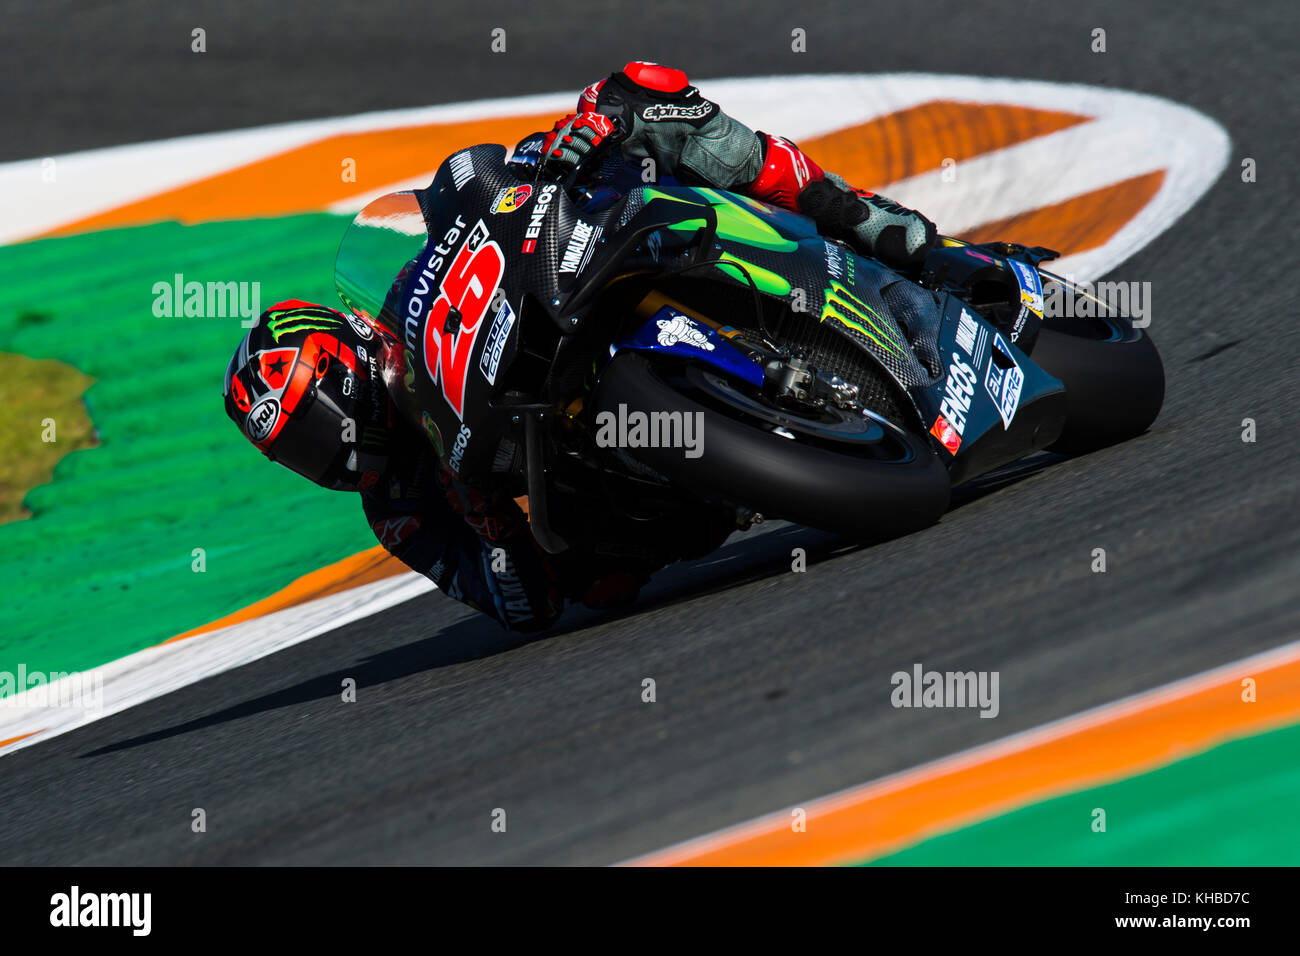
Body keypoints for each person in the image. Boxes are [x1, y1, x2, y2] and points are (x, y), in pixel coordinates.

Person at [222, 63, 940, 631]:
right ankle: (738, 454)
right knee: (600, 587)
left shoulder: (404, 295)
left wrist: (557, 152)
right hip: (620, 493)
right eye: (300, 453)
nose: (328, 455)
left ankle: (850, 213)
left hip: (562, 291)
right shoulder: (398, 508)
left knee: (637, 96)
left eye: (316, 426)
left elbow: (463, 178)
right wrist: (489, 521)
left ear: (344, 358)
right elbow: (517, 606)